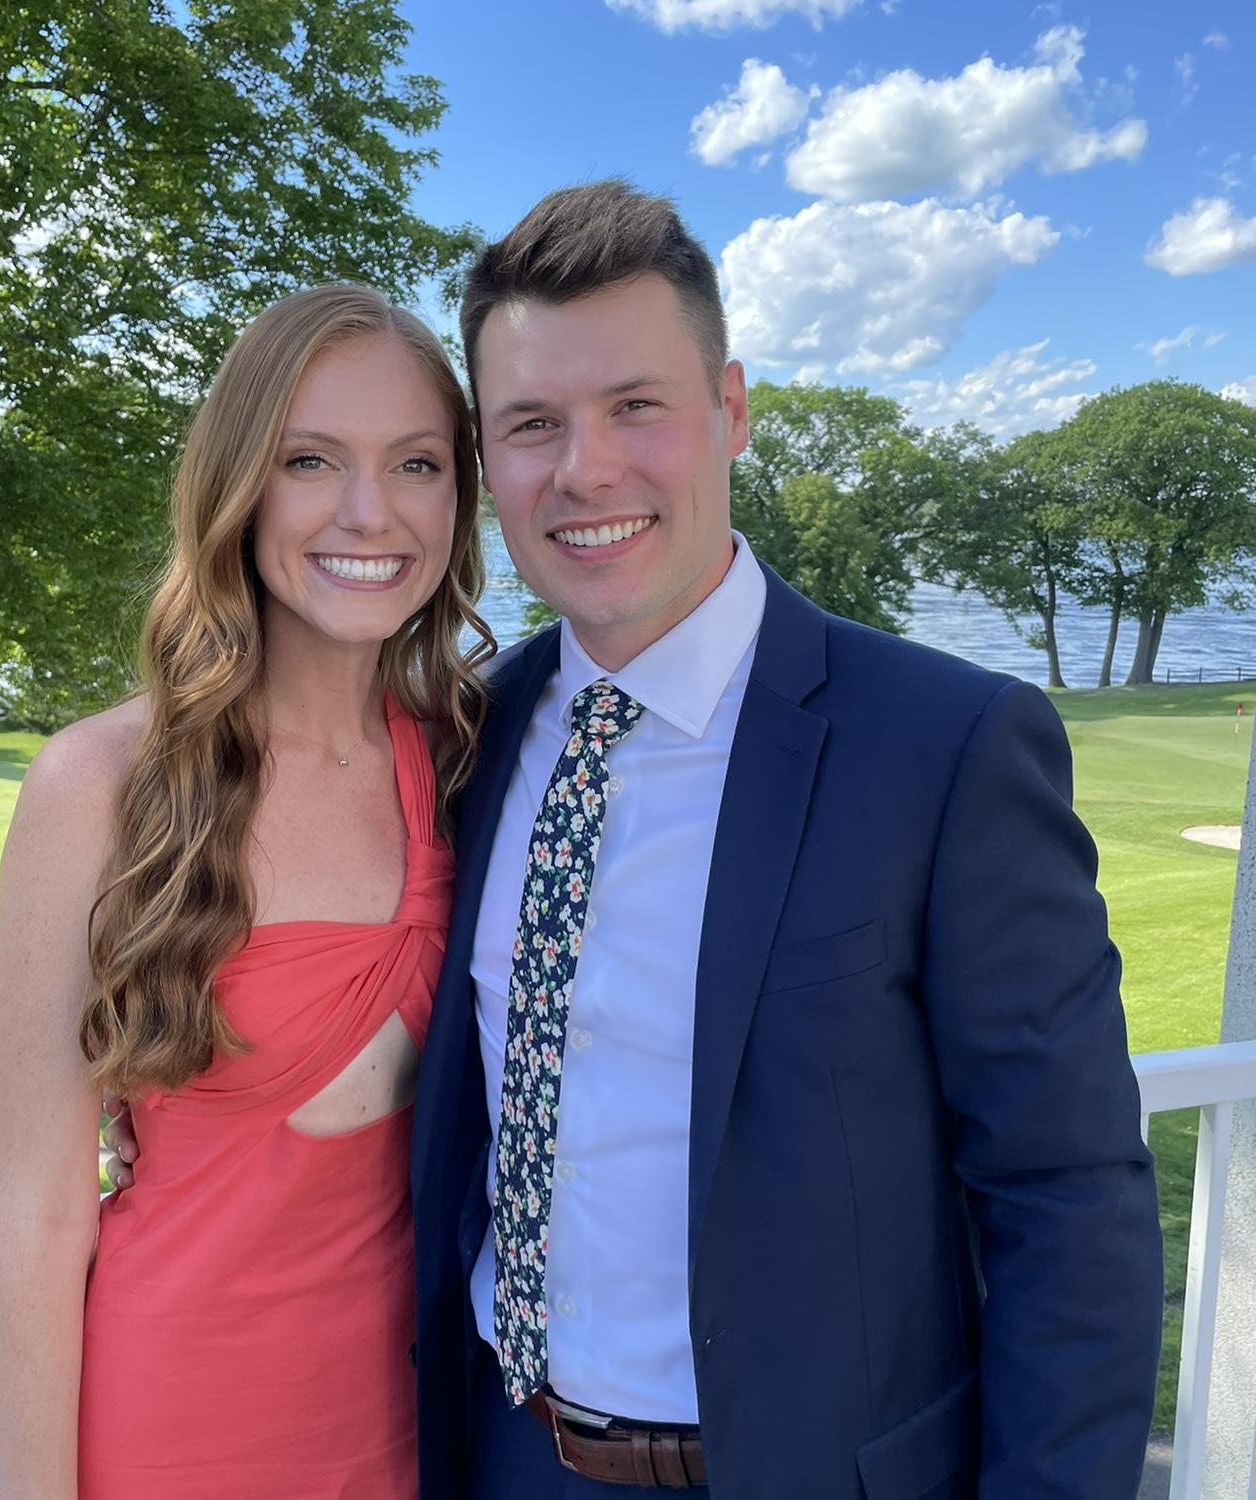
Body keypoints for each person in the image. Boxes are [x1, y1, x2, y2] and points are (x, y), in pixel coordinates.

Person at [106, 183, 1163, 1498]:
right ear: (489, 462)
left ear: (731, 410)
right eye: (532, 425)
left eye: (636, 406)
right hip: (504, 1453)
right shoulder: (465, 741)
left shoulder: (943, 749)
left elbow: (1068, 1195)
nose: (586, 470)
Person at [0, 283, 492, 1500]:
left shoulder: (475, 759)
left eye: (417, 462)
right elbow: (38, 1211)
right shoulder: (100, 786)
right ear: (239, 486)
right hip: (173, 1425)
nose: (369, 511)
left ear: (458, 497)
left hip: (426, 1429)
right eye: (310, 459)